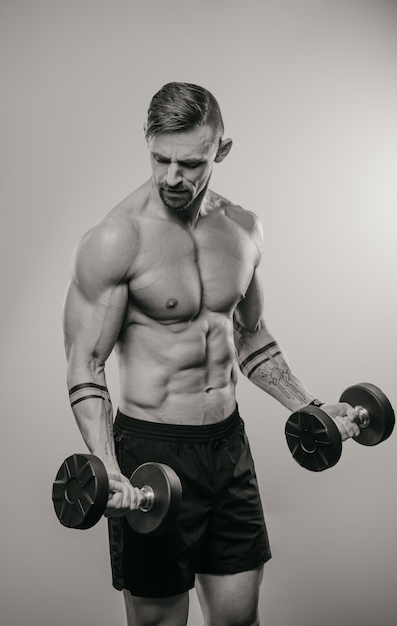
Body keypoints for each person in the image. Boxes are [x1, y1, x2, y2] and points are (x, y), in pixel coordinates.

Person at [63, 82, 360, 626]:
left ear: (220, 150)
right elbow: (85, 363)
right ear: (148, 143)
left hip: (227, 449)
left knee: (239, 619)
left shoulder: (244, 229)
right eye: (161, 159)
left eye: (191, 163)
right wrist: (107, 466)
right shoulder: (117, 238)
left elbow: (250, 336)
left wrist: (308, 406)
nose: (172, 178)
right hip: (150, 453)